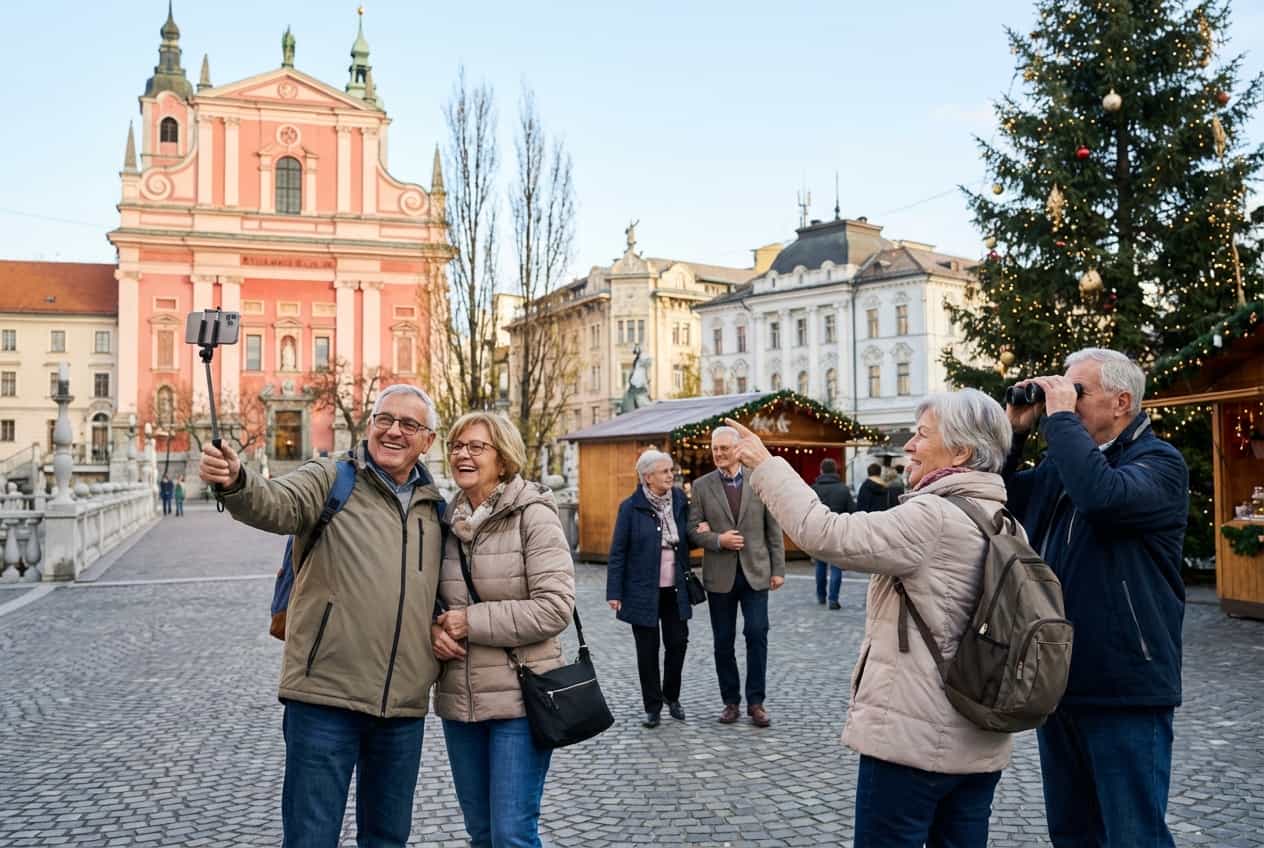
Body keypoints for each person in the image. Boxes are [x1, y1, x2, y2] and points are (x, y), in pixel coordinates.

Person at [722, 389, 1017, 848]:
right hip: (979, 737)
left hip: (913, 739)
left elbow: (826, 534)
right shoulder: (1001, 517)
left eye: (921, 435)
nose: (909, 446)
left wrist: (765, 465)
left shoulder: (935, 515)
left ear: (960, 452)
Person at [199, 384, 445, 848]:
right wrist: (236, 480)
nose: (393, 430)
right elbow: (275, 503)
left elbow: (441, 594)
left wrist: (446, 624)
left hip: (402, 709)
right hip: (325, 698)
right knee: (312, 837)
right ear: (369, 425)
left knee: (388, 838)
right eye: (384, 419)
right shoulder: (331, 477)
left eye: (408, 424)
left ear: (428, 440)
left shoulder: (435, 510)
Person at [1003, 349, 1188, 848]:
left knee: (1133, 835)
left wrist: (1060, 420)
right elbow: (999, 499)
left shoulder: (1160, 464)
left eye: (1077, 391)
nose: (1064, 399)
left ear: (1122, 402)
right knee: (1072, 832)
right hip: (1060, 678)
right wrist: (1016, 433)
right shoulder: (1064, 465)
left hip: (1126, 683)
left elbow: (1102, 498)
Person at [432, 411, 575, 848]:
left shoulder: (533, 514)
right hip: (461, 701)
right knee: (481, 834)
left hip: (520, 698)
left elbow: (555, 608)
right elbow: (430, 601)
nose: (463, 454)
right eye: (457, 445)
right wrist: (431, 631)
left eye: (477, 447)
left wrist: (468, 622)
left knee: (512, 834)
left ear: (504, 458)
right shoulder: (443, 521)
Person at [686, 425, 785, 728]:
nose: (718, 454)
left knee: (757, 634)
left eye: (724, 449)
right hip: (720, 576)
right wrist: (718, 540)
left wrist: (778, 569)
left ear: (737, 450)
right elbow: (691, 530)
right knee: (723, 641)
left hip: (756, 572)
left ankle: (756, 702)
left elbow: (774, 527)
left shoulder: (759, 481)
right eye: (715, 449)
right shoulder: (702, 487)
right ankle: (730, 701)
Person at [607, 449, 693, 728]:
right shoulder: (630, 507)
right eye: (665, 471)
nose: (671, 475)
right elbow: (618, 551)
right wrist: (614, 592)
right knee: (647, 650)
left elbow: (689, 535)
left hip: (675, 587)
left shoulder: (679, 499)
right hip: (641, 590)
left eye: (671, 470)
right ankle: (652, 706)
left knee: (678, 643)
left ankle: (672, 695)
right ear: (647, 477)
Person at [810, 458, 854, 610]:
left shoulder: (813, 489)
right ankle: (833, 599)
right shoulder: (843, 489)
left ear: (821, 470)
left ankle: (821, 596)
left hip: (818, 532)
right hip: (837, 532)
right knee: (836, 567)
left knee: (820, 566)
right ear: (835, 470)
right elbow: (852, 511)